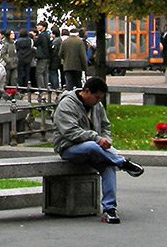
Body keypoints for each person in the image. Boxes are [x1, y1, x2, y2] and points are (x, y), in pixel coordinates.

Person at [53, 76, 145, 224]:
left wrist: (106, 140)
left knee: (108, 166)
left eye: (100, 98)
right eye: (96, 97)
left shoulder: (97, 106)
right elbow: (70, 132)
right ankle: (122, 163)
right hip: (69, 148)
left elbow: (105, 126)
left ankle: (110, 209)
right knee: (92, 147)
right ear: (86, 91)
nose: (97, 101)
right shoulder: (66, 105)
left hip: (96, 148)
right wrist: (97, 139)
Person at [33, 22, 55, 88]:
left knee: (39, 73)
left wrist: (34, 38)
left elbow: (36, 43)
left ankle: (41, 88)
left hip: (42, 56)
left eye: (39, 25)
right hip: (47, 56)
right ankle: (46, 88)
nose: (38, 27)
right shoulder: (47, 34)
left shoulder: (42, 35)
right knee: (45, 73)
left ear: (44, 27)